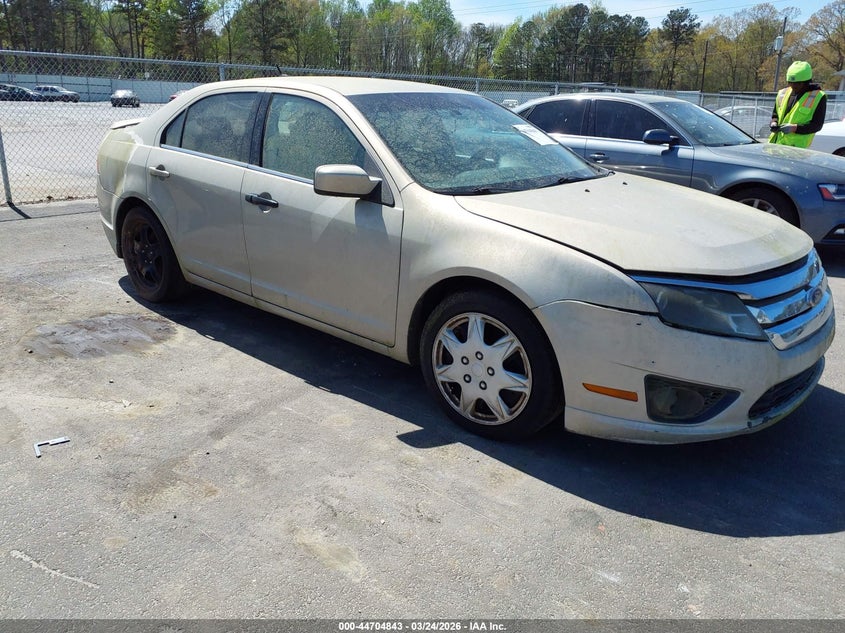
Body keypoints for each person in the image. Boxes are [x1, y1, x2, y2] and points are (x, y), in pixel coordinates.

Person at [769, 60, 827, 147]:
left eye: (797, 84)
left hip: (796, 149)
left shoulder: (818, 97)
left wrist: (795, 128)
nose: (793, 86)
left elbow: (817, 125)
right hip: (775, 144)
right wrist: (774, 123)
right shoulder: (782, 93)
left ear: (807, 81)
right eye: (790, 82)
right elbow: (775, 115)